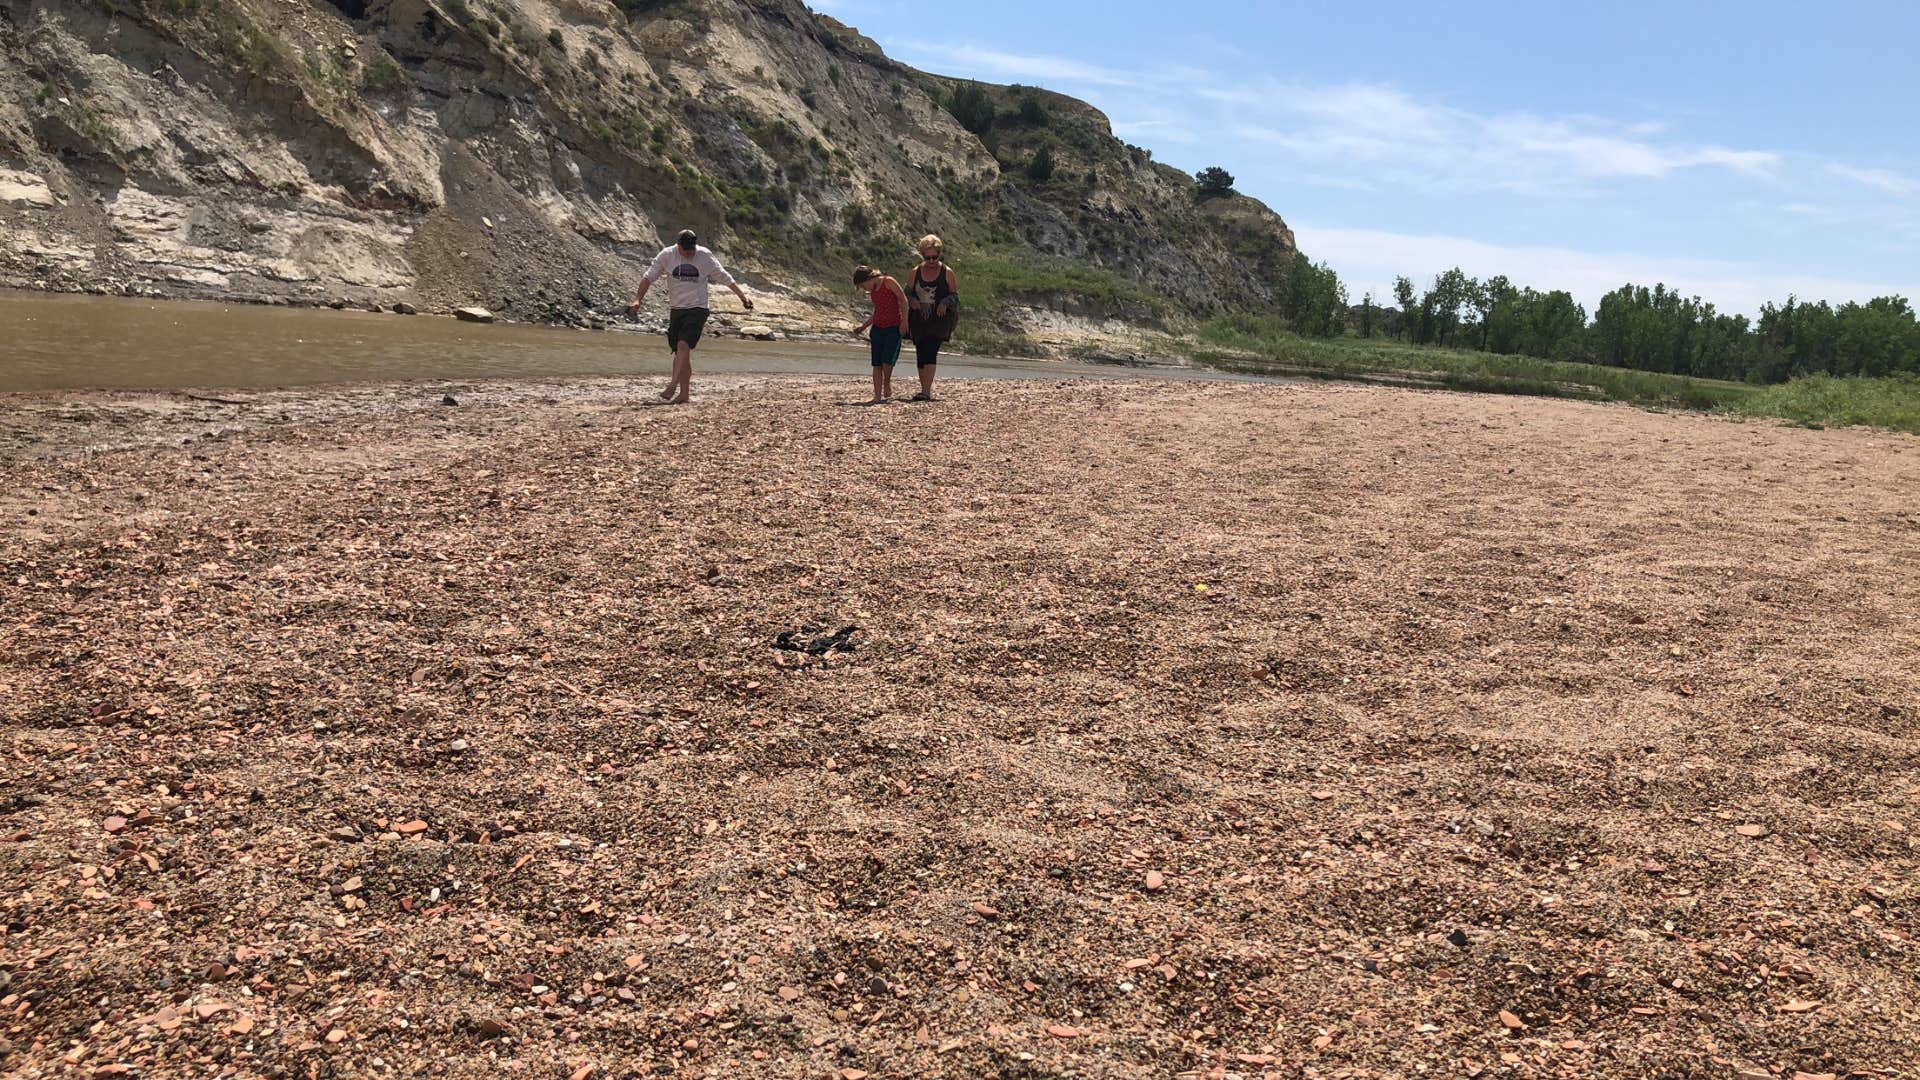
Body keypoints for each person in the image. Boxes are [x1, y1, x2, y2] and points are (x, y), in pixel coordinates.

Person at [627, 229, 752, 404]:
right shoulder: (667, 255)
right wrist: (637, 300)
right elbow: (648, 277)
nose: (689, 252)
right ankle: (684, 395)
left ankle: (672, 386)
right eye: (685, 249)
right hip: (677, 309)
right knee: (680, 353)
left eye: (691, 249)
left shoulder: (704, 256)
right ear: (678, 245)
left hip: (698, 308)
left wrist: (742, 297)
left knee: (683, 345)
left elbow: (725, 277)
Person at [904, 235, 959, 401]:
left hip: (939, 319)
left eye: (935, 257)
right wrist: (912, 300)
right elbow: (906, 292)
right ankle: (923, 389)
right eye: (927, 258)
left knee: (930, 351)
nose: (931, 261)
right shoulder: (916, 272)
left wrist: (945, 302)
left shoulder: (947, 272)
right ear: (922, 255)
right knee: (920, 352)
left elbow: (955, 296)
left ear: (939, 254)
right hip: (919, 318)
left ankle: (926, 391)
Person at [851, 265, 907, 404]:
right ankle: (877, 396)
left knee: (887, 361)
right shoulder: (873, 291)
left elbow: (903, 300)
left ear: (869, 278)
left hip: (893, 327)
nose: (864, 289)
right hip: (877, 328)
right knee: (876, 363)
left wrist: (905, 322)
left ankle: (887, 383)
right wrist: (863, 326)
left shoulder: (888, 281)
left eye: (863, 286)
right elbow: (878, 311)